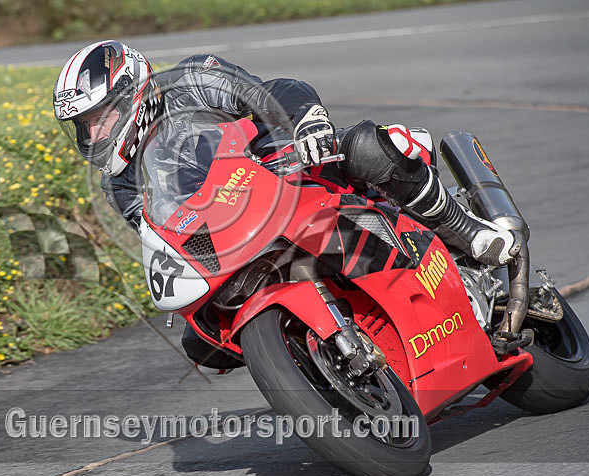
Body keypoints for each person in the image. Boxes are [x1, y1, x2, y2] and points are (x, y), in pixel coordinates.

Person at [52, 40, 520, 370]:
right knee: (202, 340)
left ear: (132, 88)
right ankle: (322, 360)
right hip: (239, 231)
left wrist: (307, 124)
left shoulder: (192, 82)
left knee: (365, 148)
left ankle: (469, 233)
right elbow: (163, 234)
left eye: (99, 118)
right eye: (83, 126)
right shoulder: (120, 186)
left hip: (292, 171)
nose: (92, 135)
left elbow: (275, 90)